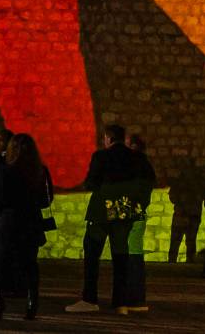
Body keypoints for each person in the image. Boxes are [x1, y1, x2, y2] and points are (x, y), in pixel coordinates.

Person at [69, 123, 154, 315]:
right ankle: (120, 303)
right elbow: (148, 182)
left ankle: (89, 299)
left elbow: (91, 182)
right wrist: (137, 204)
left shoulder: (101, 156)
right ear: (123, 138)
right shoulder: (138, 158)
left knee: (92, 254)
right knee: (121, 256)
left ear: (108, 138)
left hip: (101, 210)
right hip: (124, 209)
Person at [0, 132, 52, 320]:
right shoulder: (40, 171)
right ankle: (31, 302)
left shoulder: (6, 170)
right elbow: (46, 200)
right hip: (31, 221)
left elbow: (0, 199)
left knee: (3, 262)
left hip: (10, 222)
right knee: (30, 263)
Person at [122, 135, 156, 314]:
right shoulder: (144, 166)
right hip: (136, 214)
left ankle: (134, 299)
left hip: (131, 215)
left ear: (134, 147)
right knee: (133, 255)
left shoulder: (135, 166)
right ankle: (134, 298)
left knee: (132, 256)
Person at [167, 160, 204, 264]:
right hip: (190, 214)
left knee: (179, 240)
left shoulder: (180, 181)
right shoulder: (196, 181)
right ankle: (185, 261)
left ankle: (174, 261)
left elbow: (172, 197)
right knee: (187, 241)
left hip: (186, 214)